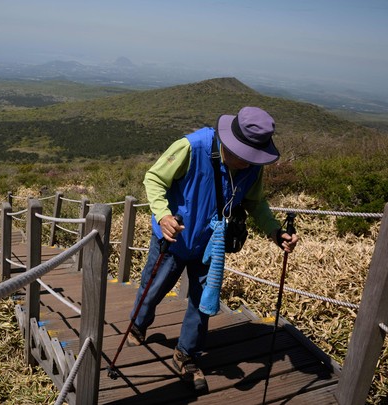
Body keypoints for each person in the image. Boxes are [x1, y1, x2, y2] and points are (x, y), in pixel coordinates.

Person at [128, 106, 299, 392]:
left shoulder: (252, 167)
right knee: (153, 288)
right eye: (244, 157)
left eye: (253, 158)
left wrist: (275, 231)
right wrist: (163, 215)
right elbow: (154, 179)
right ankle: (138, 324)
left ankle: (187, 355)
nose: (248, 164)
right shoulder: (191, 147)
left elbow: (255, 202)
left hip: (212, 244)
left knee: (203, 299)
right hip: (173, 238)